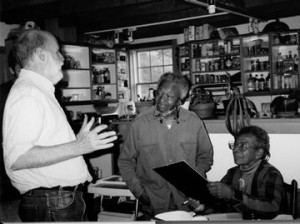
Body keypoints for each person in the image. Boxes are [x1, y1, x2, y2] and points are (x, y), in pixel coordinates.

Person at [2, 29, 118, 222]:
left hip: (58, 202)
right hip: (52, 203)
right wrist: (80, 146)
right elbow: (18, 158)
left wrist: (78, 141)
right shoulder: (28, 94)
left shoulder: (38, 91)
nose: (63, 59)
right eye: (58, 52)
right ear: (41, 55)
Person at [118, 72, 213, 219]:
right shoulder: (140, 123)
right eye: (159, 93)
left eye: (169, 96)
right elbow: (125, 161)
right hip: (153, 201)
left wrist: (194, 185)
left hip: (187, 202)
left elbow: (205, 157)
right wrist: (139, 191)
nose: (161, 99)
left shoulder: (194, 122)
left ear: (180, 100)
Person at [187, 125, 286, 220]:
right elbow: (221, 203)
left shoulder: (269, 174)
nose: (235, 149)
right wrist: (203, 206)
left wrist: (231, 194)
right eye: (235, 145)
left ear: (259, 153)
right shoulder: (233, 173)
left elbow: (272, 208)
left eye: (243, 146)